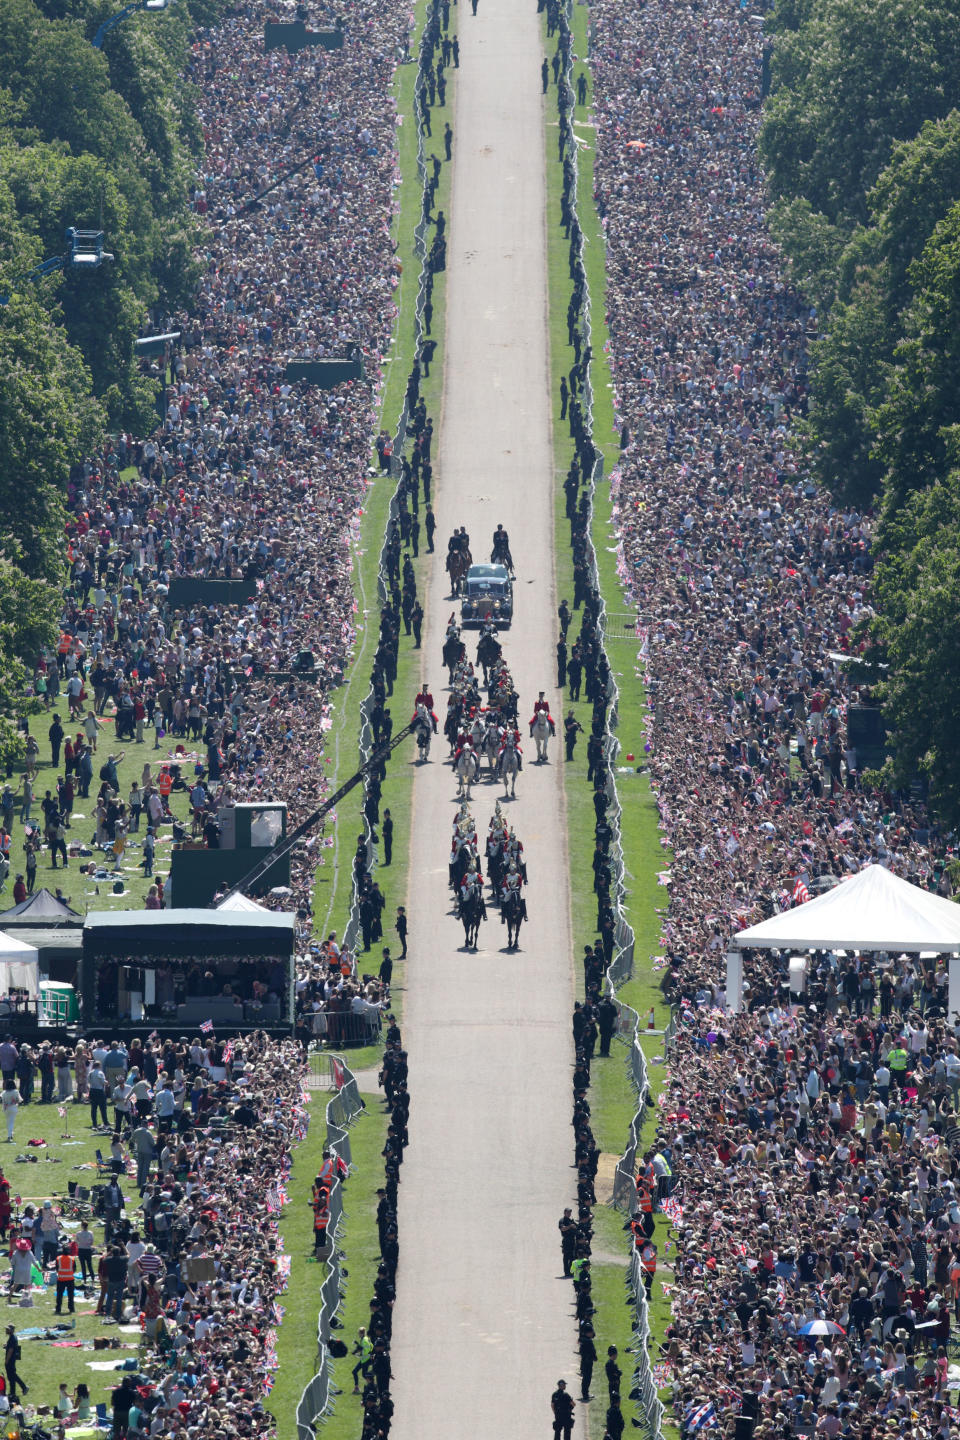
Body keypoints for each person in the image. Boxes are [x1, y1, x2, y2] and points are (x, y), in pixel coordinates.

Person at [4, 1325, 26, 1401]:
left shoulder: (13, 1338)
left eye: (8, 1329)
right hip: (11, 1360)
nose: (6, 1330)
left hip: (10, 1361)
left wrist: (7, 1360)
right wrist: (6, 1346)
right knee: (11, 1377)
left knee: (12, 1375)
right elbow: (10, 1347)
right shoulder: (13, 1337)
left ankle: (24, 1387)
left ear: (12, 1330)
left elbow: (10, 1351)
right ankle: (12, 1392)